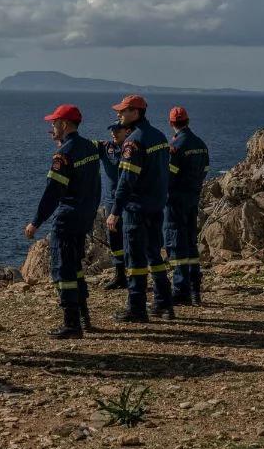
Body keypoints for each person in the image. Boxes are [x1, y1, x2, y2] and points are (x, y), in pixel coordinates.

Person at [25, 104, 102, 338]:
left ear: (65, 125)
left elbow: (52, 192)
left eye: (54, 123)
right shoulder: (89, 147)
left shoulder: (64, 155)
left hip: (67, 218)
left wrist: (36, 222)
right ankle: (83, 317)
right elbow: (95, 185)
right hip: (85, 215)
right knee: (76, 267)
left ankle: (71, 324)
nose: (52, 127)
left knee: (64, 270)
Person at [105, 95, 174, 322]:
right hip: (156, 206)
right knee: (155, 254)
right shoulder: (160, 137)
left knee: (135, 259)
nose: (119, 115)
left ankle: (136, 308)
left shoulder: (134, 141)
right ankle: (164, 304)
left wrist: (115, 211)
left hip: (137, 208)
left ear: (136, 113)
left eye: (123, 111)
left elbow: (126, 181)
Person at [164, 106, 210, 306]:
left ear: (171, 123)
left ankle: (180, 289)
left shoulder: (175, 146)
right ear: (188, 121)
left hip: (176, 200)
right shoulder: (200, 144)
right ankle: (194, 290)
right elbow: (205, 170)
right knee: (191, 242)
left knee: (176, 243)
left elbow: (169, 176)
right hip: (193, 197)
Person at [97, 122, 132, 290]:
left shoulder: (132, 148)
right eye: (112, 130)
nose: (113, 133)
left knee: (131, 237)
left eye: (117, 130)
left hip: (129, 201)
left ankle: (135, 276)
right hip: (111, 201)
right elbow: (84, 146)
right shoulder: (106, 148)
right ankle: (120, 275)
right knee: (114, 239)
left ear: (127, 131)